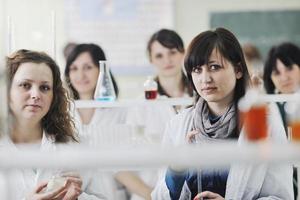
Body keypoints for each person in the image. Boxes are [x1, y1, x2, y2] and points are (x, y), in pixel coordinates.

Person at [151, 28, 293, 199]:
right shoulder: (178, 124)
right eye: (197, 69)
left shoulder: (264, 122)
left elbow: (281, 196)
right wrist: (177, 167)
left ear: (238, 70)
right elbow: (160, 196)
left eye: (214, 67)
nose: (205, 78)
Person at [1, 49, 107, 199]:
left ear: (54, 96)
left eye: (44, 88)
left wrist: (76, 198)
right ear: (5, 90)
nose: (36, 95)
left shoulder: (74, 144)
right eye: (25, 85)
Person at [64, 43, 129, 199]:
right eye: (74, 68)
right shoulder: (62, 113)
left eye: (88, 67)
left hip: (112, 193)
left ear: (102, 71)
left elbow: (122, 161)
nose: (80, 75)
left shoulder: (120, 112)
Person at [263, 42, 300, 199]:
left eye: (289, 68)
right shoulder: (267, 106)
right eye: (277, 72)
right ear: (270, 78)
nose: (284, 77)